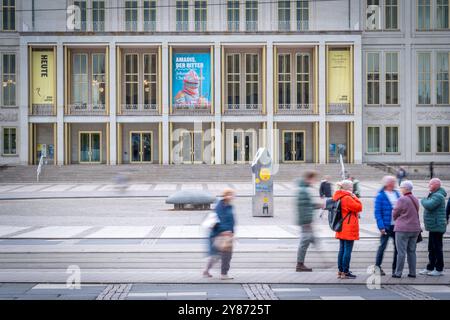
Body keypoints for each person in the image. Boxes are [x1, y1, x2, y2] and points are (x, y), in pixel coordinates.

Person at [203, 188, 236, 280]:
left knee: (219, 255)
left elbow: (231, 221)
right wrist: (225, 230)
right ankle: (223, 274)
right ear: (224, 196)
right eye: (229, 194)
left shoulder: (230, 206)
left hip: (227, 235)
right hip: (219, 234)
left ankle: (207, 271)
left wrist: (232, 232)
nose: (231, 196)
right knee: (224, 255)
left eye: (232, 194)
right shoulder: (220, 207)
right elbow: (220, 220)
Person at [334, 180, 363, 279]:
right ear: (347, 188)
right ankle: (345, 271)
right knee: (347, 250)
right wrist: (355, 198)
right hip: (348, 227)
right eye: (351, 187)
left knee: (342, 249)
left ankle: (340, 270)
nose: (353, 189)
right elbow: (359, 207)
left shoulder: (339, 196)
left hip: (341, 227)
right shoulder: (347, 198)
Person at [392, 181, 421, 278]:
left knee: (401, 252)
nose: (400, 189)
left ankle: (398, 273)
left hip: (403, 229)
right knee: (412, 251)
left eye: (401, 187)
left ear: (405, 188)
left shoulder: (402, 199)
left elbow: (395, 212)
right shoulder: (415, 199)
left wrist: (397, 219)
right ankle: (412, 273)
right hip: (415, 229)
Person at [296, 170, 323, 272]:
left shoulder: (305, 189)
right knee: (304, 243)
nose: (315, 181)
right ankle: (299, 265)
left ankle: (325, 261)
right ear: (309, 178)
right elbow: (303, 208)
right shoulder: (304, 191)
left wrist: (319, 205)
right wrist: (307, 222)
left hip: (306, 221)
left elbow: (308, 205)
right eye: (314, 179)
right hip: (306, 222)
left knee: (313, 241)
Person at [419, 178, 447, 276]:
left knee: (437, 248)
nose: (428, 186)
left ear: (436, 185)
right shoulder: (435, 194)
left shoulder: (438, 196)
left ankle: (439, 269)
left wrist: (423, 200)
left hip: (437, 226)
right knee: (431, 248)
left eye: (430, 184)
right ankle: (430, 267)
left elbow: (429, 205)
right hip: (434, 226)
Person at [374, 176, 400, 276]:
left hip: (397, 225)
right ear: (388, 183)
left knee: (397, 248)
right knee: (382, 247)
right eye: (393, 182)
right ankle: (377, 267)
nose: (395, 183)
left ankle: (395, 269)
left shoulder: (397, 193)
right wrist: (381, 227)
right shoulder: (380, 195)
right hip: (386, 226)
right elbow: (377, 213)